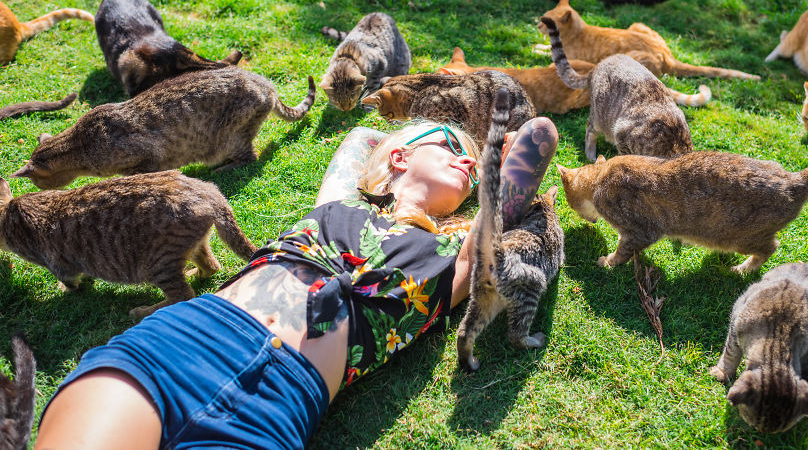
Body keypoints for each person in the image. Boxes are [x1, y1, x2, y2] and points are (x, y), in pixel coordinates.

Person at [35, 116, 559, 449]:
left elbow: (540, 137)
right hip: (185, 341)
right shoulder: (340, 201)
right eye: (449, 146)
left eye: (471, 157)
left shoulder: (456, 258)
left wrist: (494, 157)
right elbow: (361, 138)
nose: (466, 158)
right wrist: (402, 149)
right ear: (399, 156)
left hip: (279, 398)